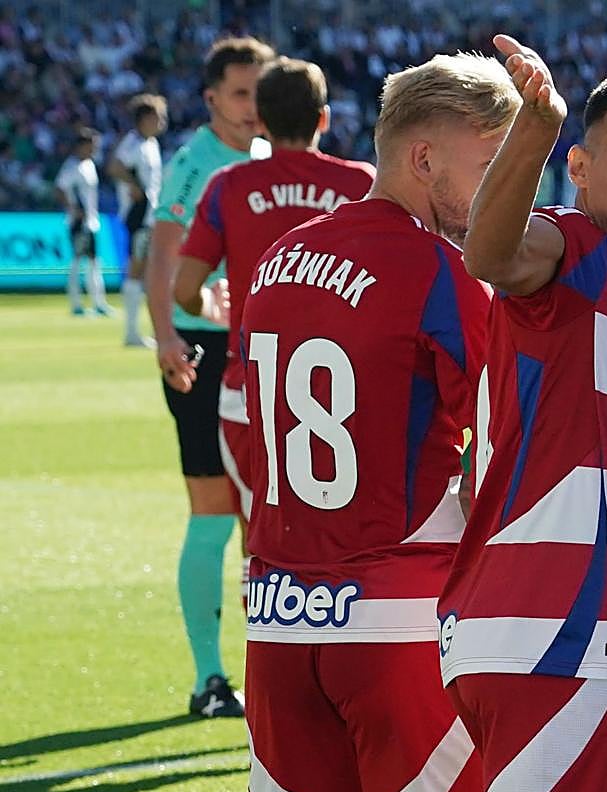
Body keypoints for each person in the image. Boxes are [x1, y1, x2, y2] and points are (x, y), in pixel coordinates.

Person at [239, 53, 520, 792]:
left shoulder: (277, 260)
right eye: (492, 165)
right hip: (398, 629)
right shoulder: (444, 270)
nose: (509, 191)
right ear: (422, 158)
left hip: (280, 626)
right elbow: (503, 451)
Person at [438, 35, 607, 792]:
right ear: (579, 169)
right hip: (552, 636)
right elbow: (489, 252)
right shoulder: (574, 245)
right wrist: (537, 124)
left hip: (558, 637)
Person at [173, 57, 374, 532]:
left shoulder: (228, 187)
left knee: (261, 543)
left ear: (259, 121)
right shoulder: (363, 184)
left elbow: (183, 290)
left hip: (251, 393)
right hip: (350, 395)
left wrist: (210, 306)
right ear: (323, 118)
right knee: (345, 543)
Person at [144, 35, 276, 719]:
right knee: (213, 514)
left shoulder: (261, 159)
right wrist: (167, 334)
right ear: (211, 100)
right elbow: (162, 254)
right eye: (240, 93)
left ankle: (272, 673)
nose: (252, 106)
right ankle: (210, 678)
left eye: (260, 91)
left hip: (267, 352)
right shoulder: (195, 164)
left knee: (268, 522)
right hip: (204, 348)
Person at [109, 93, 167, 347]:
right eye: (158, 116)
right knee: (137, 268)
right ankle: (131, 333)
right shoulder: (133, 142)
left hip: (150, 215)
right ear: (145, 118)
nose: (161, 121)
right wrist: (135, 187)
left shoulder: (149, 143)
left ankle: (143, 330)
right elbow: (114, 166)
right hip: (139, 215)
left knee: (147, 270)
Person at [54, 128, 110, 317]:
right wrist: (73, 209)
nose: (94, 149)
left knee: (94, 262)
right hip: (78, 223)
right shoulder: (72, 166)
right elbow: (60, 189)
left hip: (91, 221)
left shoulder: (89, 164)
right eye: (91, 145)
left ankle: (98, 302)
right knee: (77, 262)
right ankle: (76, 304)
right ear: (81, 145)